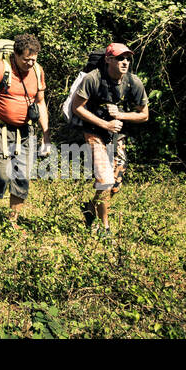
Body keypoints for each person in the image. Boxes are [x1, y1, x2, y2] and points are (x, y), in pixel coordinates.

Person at [66, 42, 149, 236]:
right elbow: (76, 108)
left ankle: (91, 208)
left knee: (115, 185)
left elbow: (144, 115)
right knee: (105, 179)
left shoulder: (133, 81)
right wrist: (105, 124)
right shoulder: (93, 78)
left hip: (115, 133)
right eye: (120, 58)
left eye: (128, 58)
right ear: (108, 59)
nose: (125, 62)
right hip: (94, 130)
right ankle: (104, 228)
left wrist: (121, 115)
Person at [0, 33, 50, 228]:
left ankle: (12, 223)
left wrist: (46, 136)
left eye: (33, 59)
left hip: (25, 132)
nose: (30, 63)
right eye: (26, 60)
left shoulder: (37, 71)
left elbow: (41, 103)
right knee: (1, 176)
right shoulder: (0, 69)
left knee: (22, 177)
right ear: (15, 56)